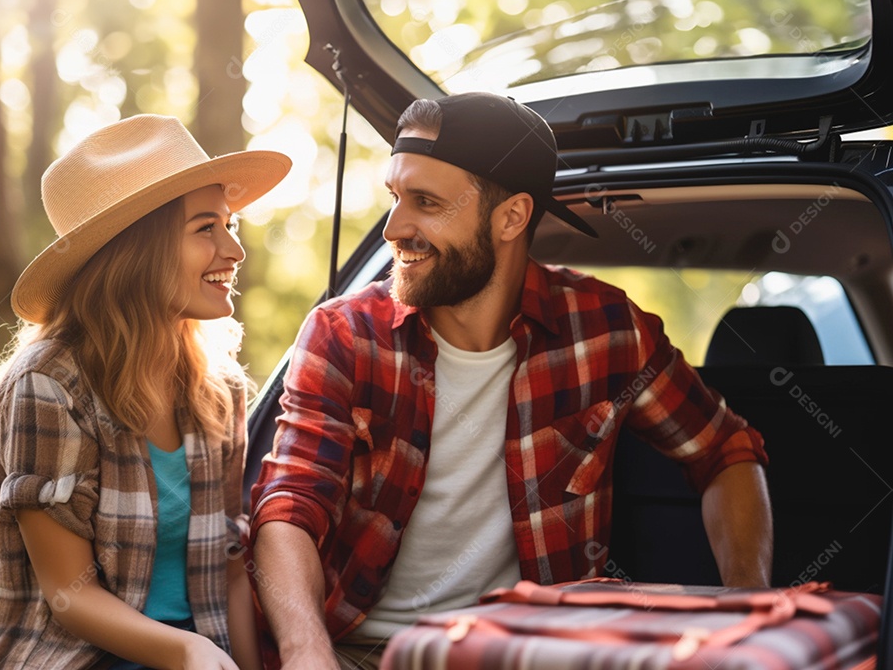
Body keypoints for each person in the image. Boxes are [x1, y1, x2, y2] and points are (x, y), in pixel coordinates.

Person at [249, 92, 772, 670]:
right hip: (354, 652)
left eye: (425, 202)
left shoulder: (605, 329)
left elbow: (726, 448)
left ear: (512, 217)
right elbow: (289, 506)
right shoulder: (345, 336)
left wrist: (747, 607)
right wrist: (306, 652)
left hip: (528, 653)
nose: (394, 228)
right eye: (395, 197)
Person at [0, 114, 291, 670]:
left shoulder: (220, 388)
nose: (234, 250)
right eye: (205, 228)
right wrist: (188, 650)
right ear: (138, 251)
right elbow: (69, 596)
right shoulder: (48, 385)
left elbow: (231, 568)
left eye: (230, 225)